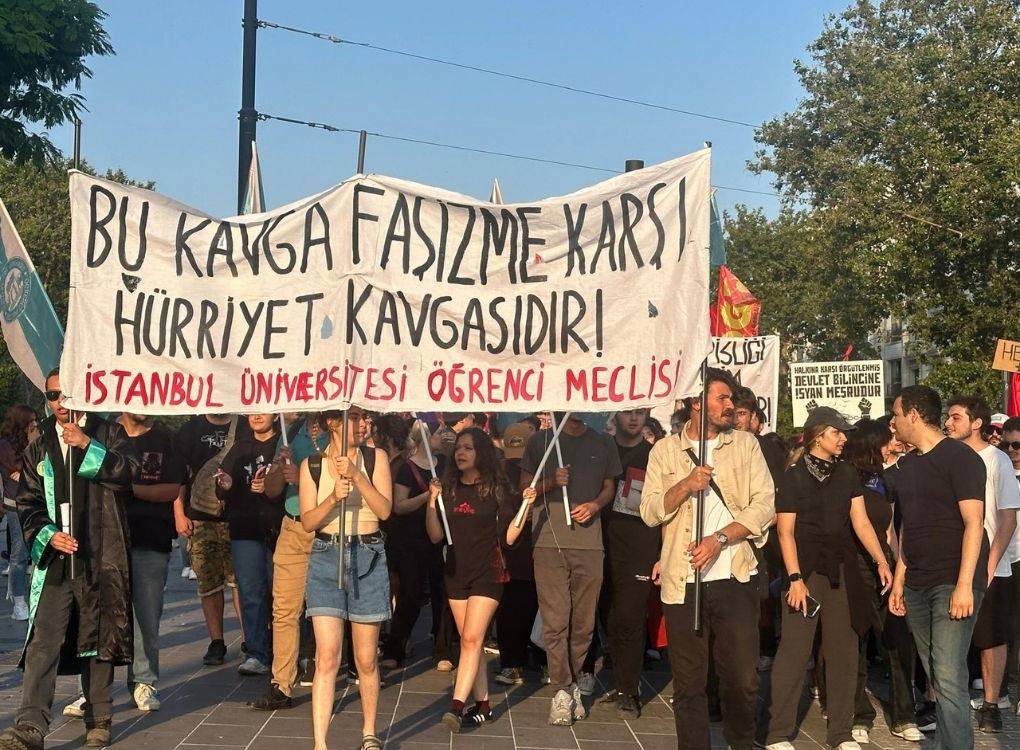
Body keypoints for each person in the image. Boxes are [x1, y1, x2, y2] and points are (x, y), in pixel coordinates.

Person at [0, 369, 136, 750]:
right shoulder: (39, 440)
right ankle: (30, 726)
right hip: (56, 557)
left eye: (65, 393)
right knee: (43, 639)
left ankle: (99, 719)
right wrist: (47, 534)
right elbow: (26, 499)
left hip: (100, 554)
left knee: (96, 637)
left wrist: (88, 445)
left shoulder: (108, 431)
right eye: (52, 395)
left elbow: (129, 474)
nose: (59, 402)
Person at [640, 368, 775, 750]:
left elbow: (765, 505)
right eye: (722, 398)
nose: (730, 405)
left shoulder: (746, 445)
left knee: (742, 678)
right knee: (689, 683)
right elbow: (650, 511)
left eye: (731, 399)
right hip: (683, 581)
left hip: (734, 576)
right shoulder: (665, 451)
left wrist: (719, 539)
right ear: (696, 403)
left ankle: (740, 742)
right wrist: (685, 484)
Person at [887, 385, 988, 750]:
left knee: (947, 676)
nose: (892, 423)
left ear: (913, 413)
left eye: (896, 414)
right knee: (936, 673)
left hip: (953, 580)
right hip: (916, 582)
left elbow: (974, 522)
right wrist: (899, 580)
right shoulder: (907, 466)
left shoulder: (960, 458)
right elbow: (907, 528)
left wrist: (964, 585)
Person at [520, 413, 621, 726]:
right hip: (549, 544)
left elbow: (609, 487)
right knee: (555, 621)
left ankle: (573, 682)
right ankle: (561, 690)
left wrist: (594, 505)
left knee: (583, 624)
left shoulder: (603, 441)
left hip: (590, 545)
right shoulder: (540, 442)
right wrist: (551, 483)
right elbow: (525, 489)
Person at [300, 408, 392, 750]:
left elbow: (384, 510)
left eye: (365, 418)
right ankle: (320, 743)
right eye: (355, 418)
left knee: (366, 658)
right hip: (326, 555)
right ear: (332, 422)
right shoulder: (311, 464)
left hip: (367, 553)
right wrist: (332, 498)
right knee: (327, 655)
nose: (363, 424)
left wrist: (357, 476)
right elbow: (308, 521)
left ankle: (369, 731)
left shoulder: (375, 457)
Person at [426, 428, 519, 732]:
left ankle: (455, 705)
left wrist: (527, 506)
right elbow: (436, 536)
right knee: (472, 642)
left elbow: (507, 538)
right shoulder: (449, 488)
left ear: (481, 452)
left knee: (470, 639)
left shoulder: (496, 489)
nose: (460, 453)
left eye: (468, 448)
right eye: (458, 448)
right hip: (455, 572)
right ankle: (484, 705)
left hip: (488, 573)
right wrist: (431, 502)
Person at [839, 420, 922, 743]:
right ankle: (860, 712)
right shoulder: (845, 478)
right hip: (853, 566)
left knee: (897, 637)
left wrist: (899, 569)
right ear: (873, 444)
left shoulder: (885, 481)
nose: (893, 445)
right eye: (888, 441)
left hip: (885, 568)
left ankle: (904, 714)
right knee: (857, 639)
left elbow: (889, 531)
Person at [945, 395, 1020, 730]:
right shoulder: (945, 458)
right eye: (948, 417)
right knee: (947, 636)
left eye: (956, 418)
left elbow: (1007, 520)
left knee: (991, 637)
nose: (949, 423)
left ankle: (991, 703)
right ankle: (942, 702)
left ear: (976, 423)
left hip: (990, 566)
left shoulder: (997, 461)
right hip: (950, 562)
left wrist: (990, 563)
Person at [250, 413, 323, 711]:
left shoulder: (341, 430)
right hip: (293, 527)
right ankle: (281, 684)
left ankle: (325, 666)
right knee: (284, 608)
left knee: (325, 610)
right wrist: (280, 469)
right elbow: (272, 491)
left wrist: (305, 479)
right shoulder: (291, 432)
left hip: (327, 530)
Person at [118, 412, 185, 712]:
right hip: (108, 538)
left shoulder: (164, 438)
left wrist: (128, 490)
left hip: (151, 539)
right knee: (100, 614)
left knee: (146, 615)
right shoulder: (103, 433)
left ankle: (144, 681)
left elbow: (172, 488)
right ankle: (90, 689)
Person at [597, 409, 659, 719]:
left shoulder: (655, 455)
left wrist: (661, 553)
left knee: (632, 618)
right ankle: (617, 680)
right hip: (600, 544)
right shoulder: (600, 448)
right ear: (615, 415)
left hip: (640, 547)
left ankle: (630, 689)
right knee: (609, 615)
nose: (634, 419)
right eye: (628, 413)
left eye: (640, 413)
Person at [382, 418, 454, 671]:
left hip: (439, 538)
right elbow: (399, 506)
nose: (444, 435)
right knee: (410, 594)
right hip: (409, 541)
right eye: (439, 432)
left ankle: (442, 648)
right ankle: (396, 647)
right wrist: (428, 495)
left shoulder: (445, 464)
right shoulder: (406, 468)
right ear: (424, 435)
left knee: (442, 593)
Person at [174, 414, 246, 666]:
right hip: (200, 518)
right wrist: (179, 513)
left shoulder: (244, 424)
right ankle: (217, 641)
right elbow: (180, 476)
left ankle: (250, 639)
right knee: (208, 584)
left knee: (240, 582)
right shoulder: (190, 428)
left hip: (236, 516)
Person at [216, 414, 284, 676]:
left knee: (283, 596)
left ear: (276, 413)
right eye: (252, 409)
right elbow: (223, 485)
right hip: (245, 529)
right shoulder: (240, 446)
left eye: (264, 409)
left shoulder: (284, 444)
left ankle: (288, 652)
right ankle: (257, 652)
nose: (257, 415)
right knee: (251, 594)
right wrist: (225, 485)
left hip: (279, 528)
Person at [494, 420, 541, 686]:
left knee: (514, 610)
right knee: (518, 609)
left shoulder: (501, 471)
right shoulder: (502, 473)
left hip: (523, 549)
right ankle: (517, 661)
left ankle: (515, 662)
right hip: (514, 549)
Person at [0, 405, 39, 622]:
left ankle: (34, 597)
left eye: (36, 420)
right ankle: (18, 601)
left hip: (38, 502)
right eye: (30, 420)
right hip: (15, 505)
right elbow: (25, 469)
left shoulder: (36, 439)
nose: (34, 424)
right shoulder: (5, 446)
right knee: (19, 553)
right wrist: (26, 470)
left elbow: (39, 467)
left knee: (36, 552)